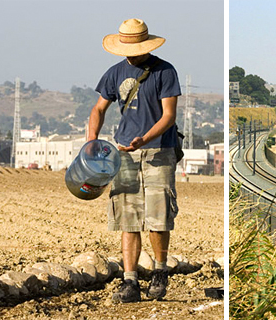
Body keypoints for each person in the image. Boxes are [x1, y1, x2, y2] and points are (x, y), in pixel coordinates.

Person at [87, 18, 181, 303]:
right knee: (127, 220)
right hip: (124, 155)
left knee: (158, 217)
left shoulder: (165, 71)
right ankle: (130, 282)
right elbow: (98, 108)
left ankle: (160, 273)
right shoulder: (115, 73)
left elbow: (169, 116)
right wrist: (92, 139)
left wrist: (146, 138)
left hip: (159, 153)